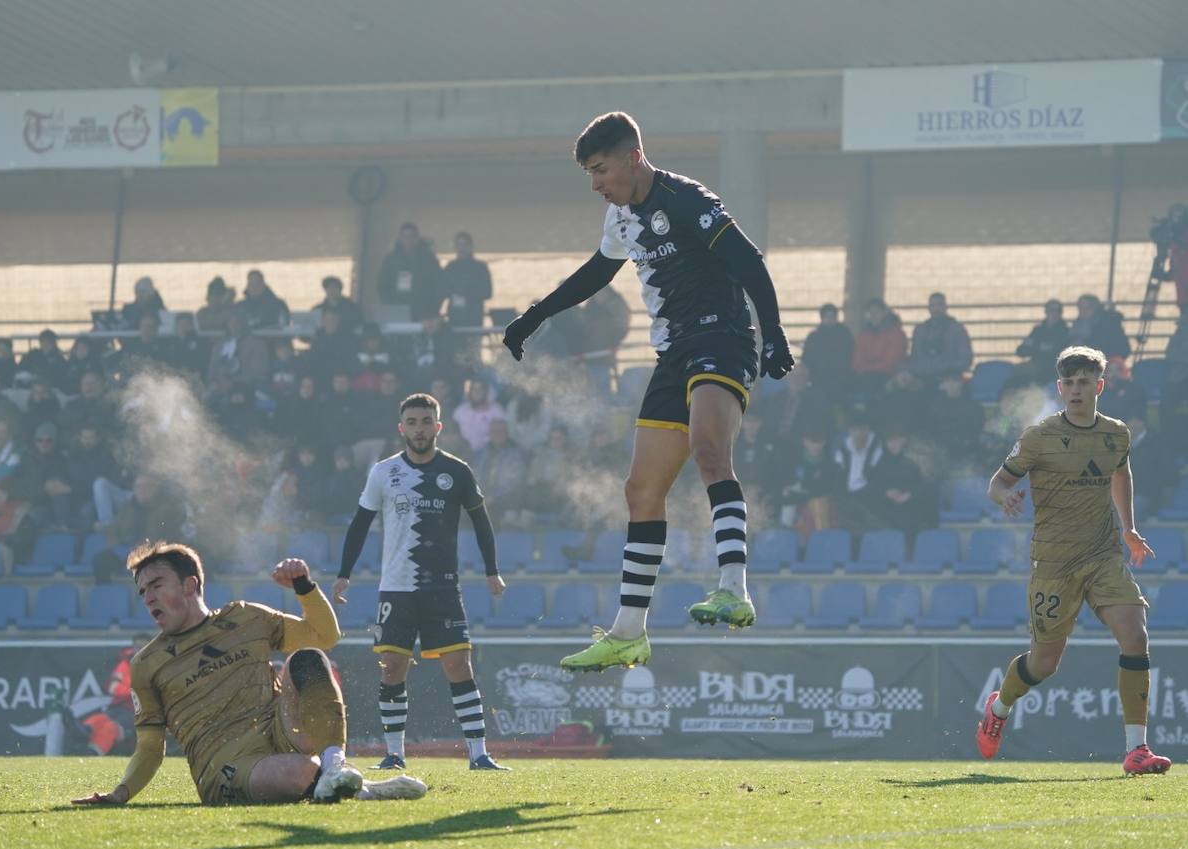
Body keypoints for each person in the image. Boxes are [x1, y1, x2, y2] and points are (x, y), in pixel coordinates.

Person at [501, 111, 794, 672]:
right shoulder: (620, 217)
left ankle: (734, 587)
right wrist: (534, 317)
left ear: (633, 157)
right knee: (640, 491)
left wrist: (774, 333)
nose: (596, 184)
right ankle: (629, 632)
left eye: (601, 170)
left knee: (711, 452)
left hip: (723, 336)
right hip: (672, 351)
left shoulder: (686, 199)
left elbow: (748, 260)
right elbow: (595, 273)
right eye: (589, 174)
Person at [73, 542, 427, 806]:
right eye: (142, 591)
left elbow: (326, 636)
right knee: (300, 772)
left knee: (307, 657)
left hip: (280, 730)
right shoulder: (146, 663)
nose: (147, 597)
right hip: (225, 765)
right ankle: (363, 791)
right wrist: (120, 794)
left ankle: (335, 767)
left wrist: (304, 586)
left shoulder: (246, 617)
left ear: (190, 585)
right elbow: (151, 748)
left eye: (156, 585)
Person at [977, 346, 1170, 775]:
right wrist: (1004, 496)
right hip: (1054, 563)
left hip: (1103, 555)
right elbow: (999, 480)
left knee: (1135, 636)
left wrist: (1129, 528)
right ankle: (1001, 706)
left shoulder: (1116, 433)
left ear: (1098, 386)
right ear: (1060, 388)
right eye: (1069, 383)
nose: (1076, 389)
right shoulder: (1039, 437)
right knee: (1044, 663)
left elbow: (1121, 473)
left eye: (1085, 382)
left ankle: (1136, 750)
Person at [332, 392, 509, 771]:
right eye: (412, 422)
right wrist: (343, 574)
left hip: (442, 587)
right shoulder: (383, 472)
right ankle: (394, 753)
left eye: (426, 421)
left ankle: (479, 754)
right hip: (396, 587)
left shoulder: (458, 472)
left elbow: (482, 522)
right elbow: (360, 524)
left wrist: (491, 570)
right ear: (401, 428)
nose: (419, 429)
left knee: (459, 665)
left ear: (438, 427)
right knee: (393, 667)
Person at [376, 222, 443, 321]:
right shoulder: (391, 260)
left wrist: (433, 309)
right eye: (405, 237)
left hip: (424, 313)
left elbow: (439, 286)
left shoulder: (429, 260)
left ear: (417, 238)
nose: (409, 240)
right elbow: (382, 285)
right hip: (397, 312)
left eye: (412, 236)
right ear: (400, 238)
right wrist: (390, 306)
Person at [441, 230, 492, 328]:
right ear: (455, 247)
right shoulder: (450, 268)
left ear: (471, 246)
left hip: (474, 317)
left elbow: (487, 292)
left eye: (465, 244)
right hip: (455, 317)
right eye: (459, 244)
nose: (462, 248)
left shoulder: (480, 268)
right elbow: (443, 290)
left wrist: (467, 295)